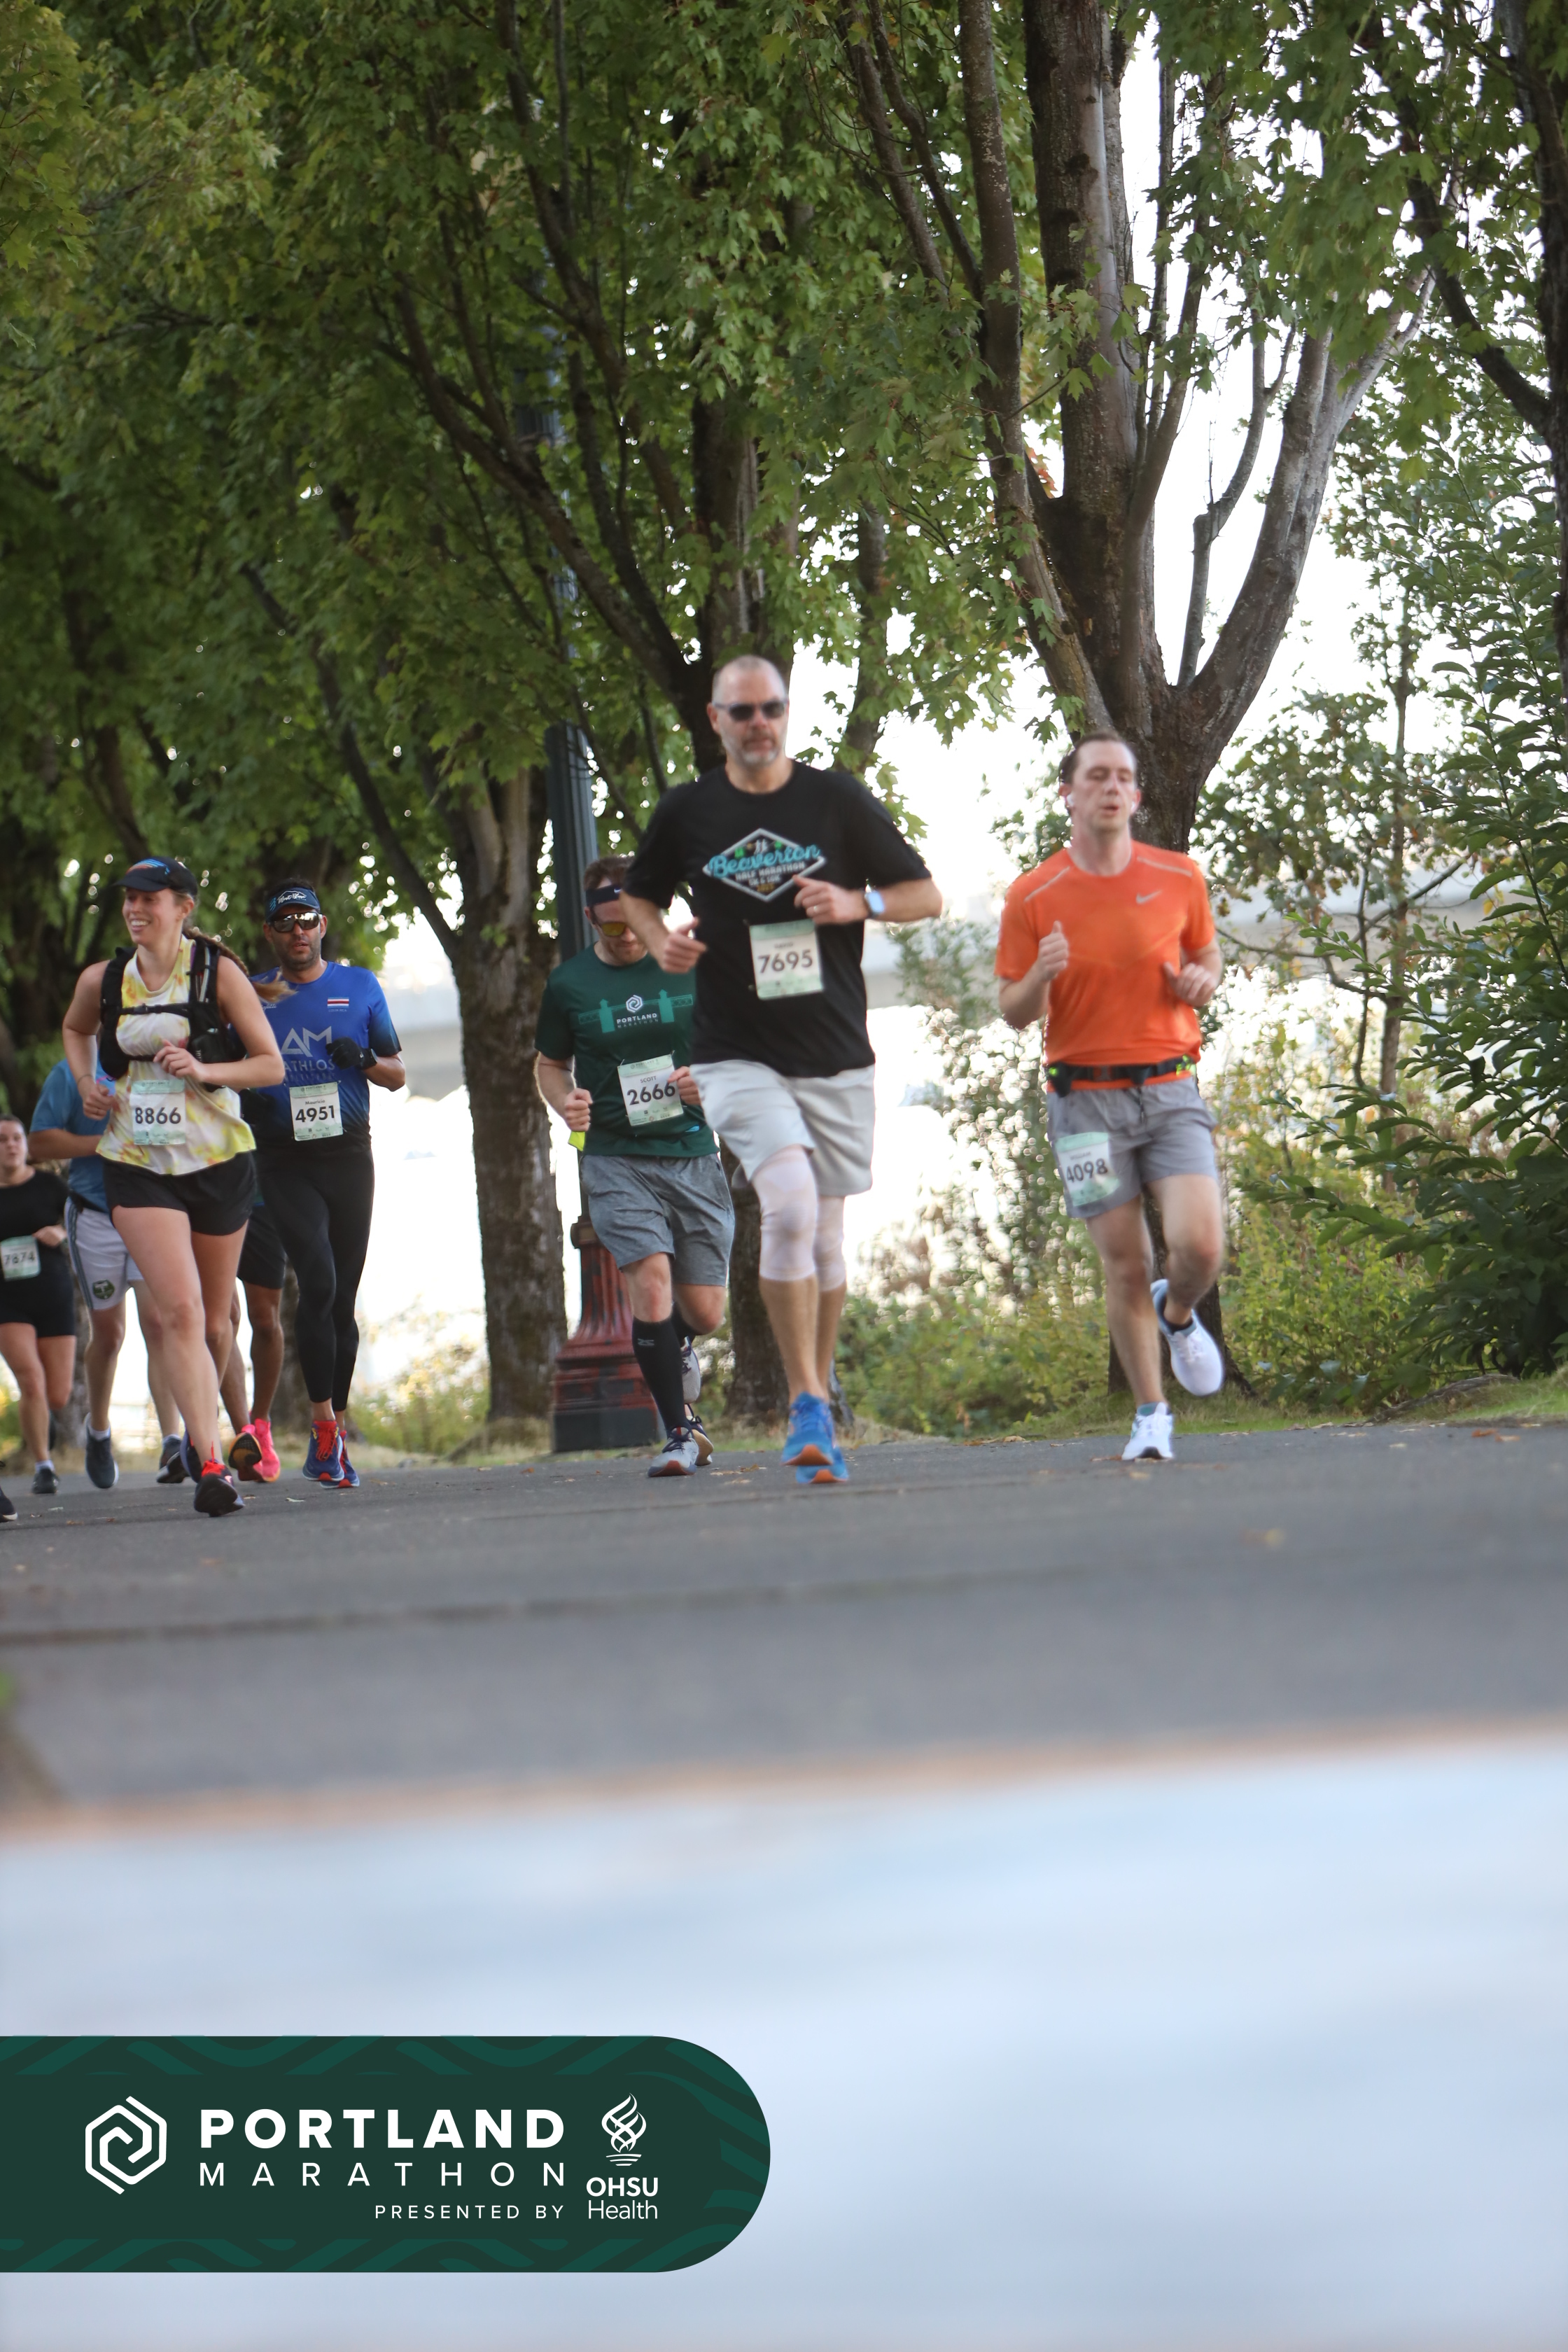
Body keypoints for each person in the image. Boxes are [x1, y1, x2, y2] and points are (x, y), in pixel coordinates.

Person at [620, 657, 942, 1483]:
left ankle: (815, 1399)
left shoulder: (834, 799)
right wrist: (661, 944)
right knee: (789, 1205)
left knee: (825, 1240)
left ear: (786, 712)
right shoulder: (687, 810)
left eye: (770, 708)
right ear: (715, 719)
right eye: (742, 711)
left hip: (833, 1051)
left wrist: (859, 903)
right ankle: (804, 1400)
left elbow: (924, 895)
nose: (758, 722)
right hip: (734, 1051)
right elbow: (638, 896)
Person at [995, 734, 1226, 1462]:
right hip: (1083, 1107)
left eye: (1123, 778)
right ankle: (1151, 1415)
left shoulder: (1178, 876)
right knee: (1126, 1263)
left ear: (1136, 795)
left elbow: (1206, 954)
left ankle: (1177, 1311)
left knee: (1199, 1245)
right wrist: (1041, 974)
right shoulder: (1031, 895)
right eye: (1097, 776)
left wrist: (1202, 980)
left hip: (1169, 1089)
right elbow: (1013, 1009)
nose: (1112, 788)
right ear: (1067, 793)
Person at [61, 855, 286, 1516]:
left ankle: (211, 1436)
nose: (135, 909)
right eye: (129, 899)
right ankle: (212, 1465)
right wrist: (87, 1084)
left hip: (217, 1164)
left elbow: (269, 1066)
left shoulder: (218, 975)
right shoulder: (104, 981)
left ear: (183, 907)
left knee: (215, 1324)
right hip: (137, 1163)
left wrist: (206, 1069)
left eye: (149, 899)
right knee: (178, 1313)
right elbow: (76, 1029)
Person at [536, 852, 732, 1477]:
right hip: (614, 1155)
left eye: (634, 920)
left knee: (706, 1311)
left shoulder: (693, 965)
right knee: (649, 1281)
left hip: (691, 1151)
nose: (623, 936)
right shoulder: (569, 984)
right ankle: (678, 1432)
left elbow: (737, 1048)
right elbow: (550, 1064)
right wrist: (564, 1101)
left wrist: (709, 1080)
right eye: (610, 924)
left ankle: (679, 1343)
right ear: (591, 917)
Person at [246, 878, 405, 1488]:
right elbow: (222, 1067)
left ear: (322, 925)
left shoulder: (359, 986)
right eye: (285, 922)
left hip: (348, 1155)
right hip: (284, 1159)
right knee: (317, 1281)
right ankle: (323, 1429)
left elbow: (396, 1073)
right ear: (270, 933)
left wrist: (363, 1060)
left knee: (341, 1302)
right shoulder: (254, 992)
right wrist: (238, 1091)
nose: (298, 931)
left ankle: (331, 1431)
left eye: (306, 920)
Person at [29, 1056, 182, 1490]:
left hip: (154, 1206)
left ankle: (172, 1442)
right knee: (111, 1335)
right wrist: (103, 1143)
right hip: (95, 1212)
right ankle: (98, 1431)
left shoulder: (166, 1059)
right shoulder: (72, 1072)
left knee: (159, 1323)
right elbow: (40, 1143)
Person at [0, 1112, 75, 1496]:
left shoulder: (50, 1185)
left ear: (26, 1145)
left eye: (16, 1138)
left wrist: (60, 1231)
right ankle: (44, 1466)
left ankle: (43, 1417)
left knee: (57, 1394)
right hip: (7, 1300)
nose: (10, 1146)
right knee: (30, 1379)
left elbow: (80, 1222)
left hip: (53, 1294)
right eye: (2, 1140)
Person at [218, 1186, 286, 1482]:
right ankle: (243, 1436)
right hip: (212, 1200)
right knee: (225, 1316)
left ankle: (260, 1425)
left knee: (266, 1320)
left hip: (260, 1197)